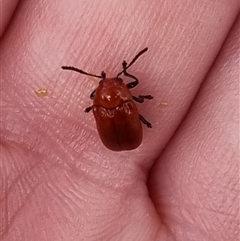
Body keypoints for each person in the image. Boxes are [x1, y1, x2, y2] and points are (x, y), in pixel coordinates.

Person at [1, 1, 239, 240]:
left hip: (118, 131)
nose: (113, 83)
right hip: (125, 128)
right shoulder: (121, 101)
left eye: (119, 81)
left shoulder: (98, 105)